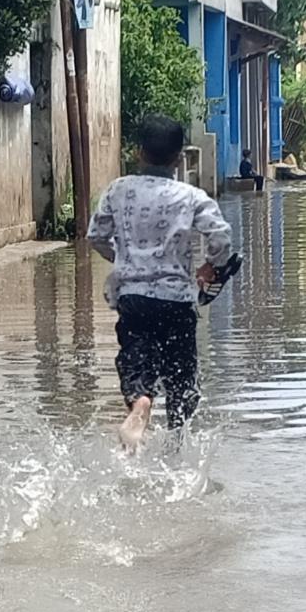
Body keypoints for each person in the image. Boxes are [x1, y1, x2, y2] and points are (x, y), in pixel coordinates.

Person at [87, 115, 234, 452]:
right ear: (179, 158)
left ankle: (140, 405)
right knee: (182, 381)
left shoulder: (118, 190)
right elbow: (222, 238)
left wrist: (126, 261)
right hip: (177, 301)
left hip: (133, 299)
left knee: (137, 364)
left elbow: (95, 236)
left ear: (138, 152)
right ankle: (176, 450)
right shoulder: (191, 196)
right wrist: (210, 267)